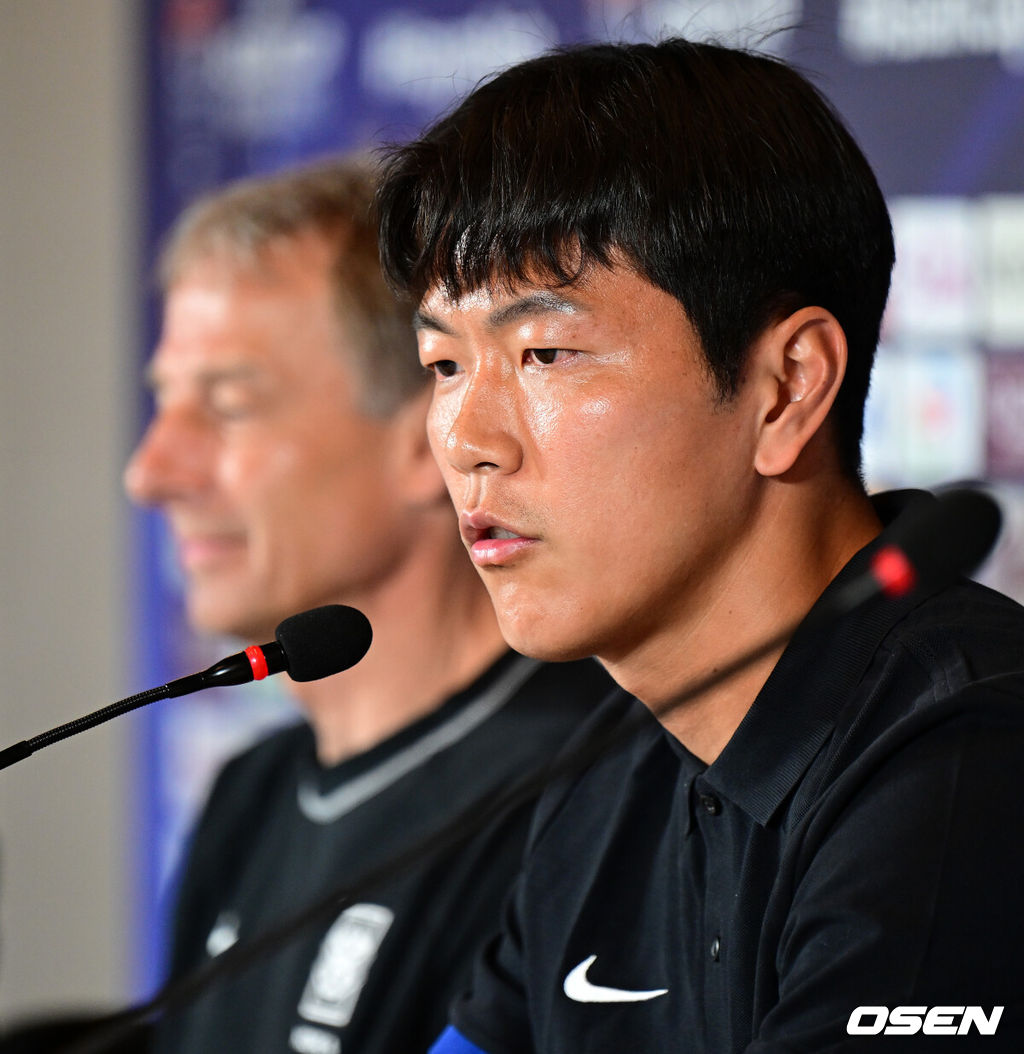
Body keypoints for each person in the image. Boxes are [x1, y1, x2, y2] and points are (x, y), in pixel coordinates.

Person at [374, 38, 1024, 1052]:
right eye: (444, 364)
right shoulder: (603, 780)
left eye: (544, 352)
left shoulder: (968, 754)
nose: (464, 442)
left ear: (787, 386)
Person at [122, 156, 614, 1054]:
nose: (151, 474)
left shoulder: (590, 794)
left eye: (228, 406)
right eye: (164, 406)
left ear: (431, 440)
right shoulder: (251, 794)